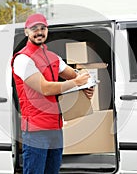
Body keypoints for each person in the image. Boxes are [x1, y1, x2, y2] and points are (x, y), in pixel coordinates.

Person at [11, 13, 94, 174]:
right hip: (35, 131)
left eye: (43, 28)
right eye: (34, 29)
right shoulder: (22, 59)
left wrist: (86, 86)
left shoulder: (52, 57)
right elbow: (45, 88)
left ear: (47, 31)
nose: (39, 32)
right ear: (26, 32)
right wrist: (77, 82)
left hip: (55, 128)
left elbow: (74, 75)